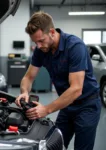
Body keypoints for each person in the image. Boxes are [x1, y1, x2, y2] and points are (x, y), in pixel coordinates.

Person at [15, 11, 101, 150]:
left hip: (87, 105)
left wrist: (46, 110)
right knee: (53, 144)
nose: (38, 46)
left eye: (41, 40)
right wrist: (24, 92)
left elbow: (76, 89)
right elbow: (28, 77)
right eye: (35, 42)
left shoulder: (75, 46)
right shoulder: (40, 50)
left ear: (52, 32)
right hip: (67, 104)